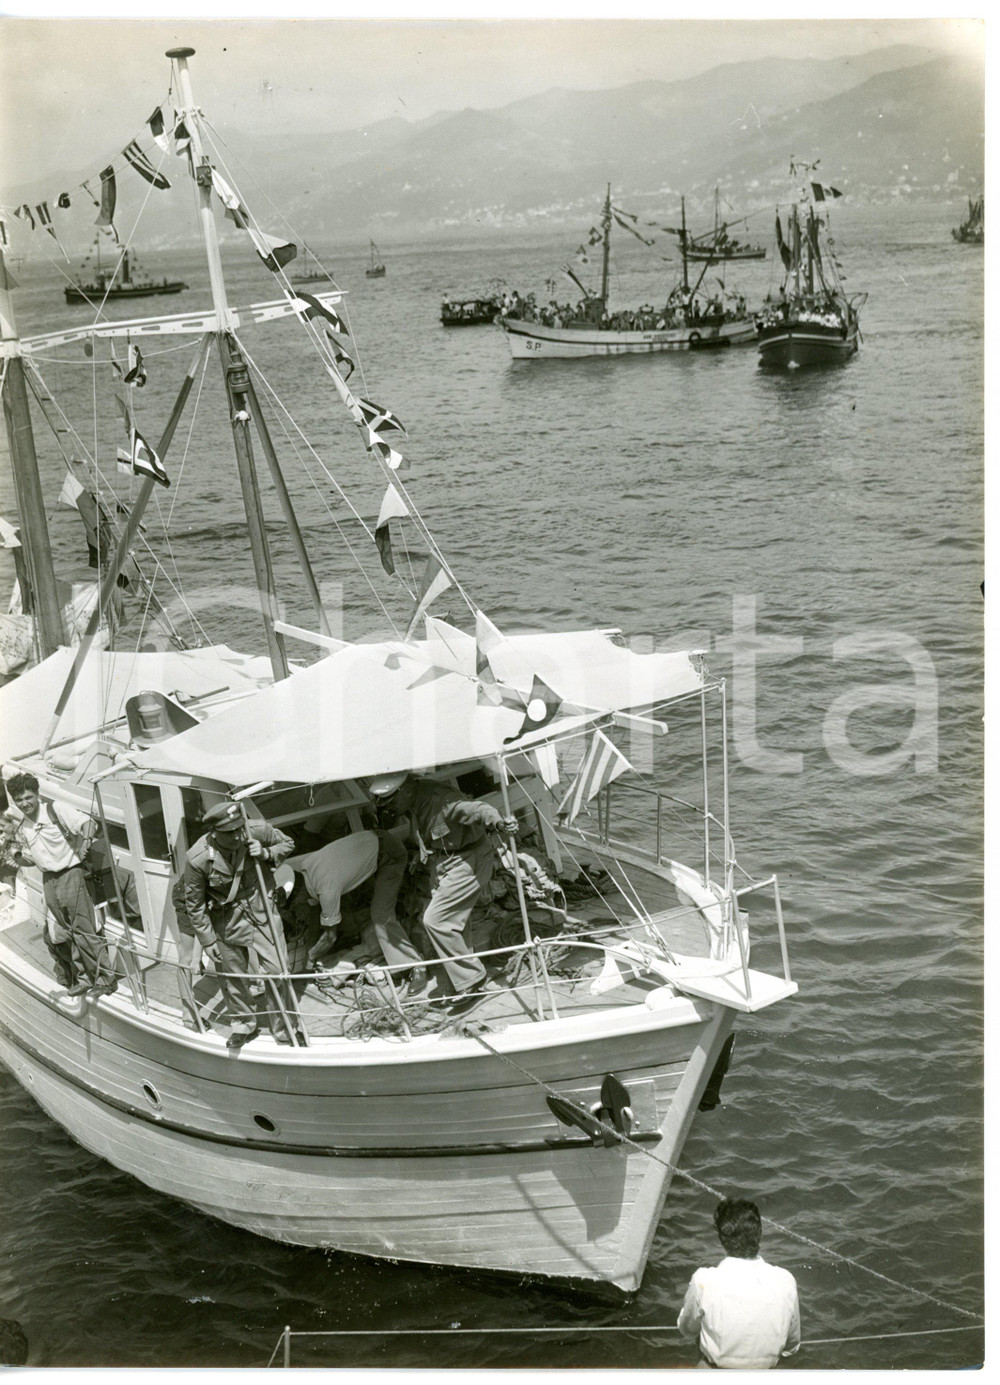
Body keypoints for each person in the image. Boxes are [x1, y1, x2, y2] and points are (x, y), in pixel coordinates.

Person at [369, 772, 516, 1009]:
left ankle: (472, 981)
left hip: (469, 859)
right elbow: (425, 825)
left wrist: (498, 823)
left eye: (392, 802)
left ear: (404, 791)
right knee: (455, 923)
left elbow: (476, 809)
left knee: (436, 920)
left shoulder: (442, 801)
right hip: (444, 861)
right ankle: (462, 983)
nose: (391, 809)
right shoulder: (414, 798)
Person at [182, 801, 294, 1049]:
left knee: (278, 970)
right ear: (214, 833)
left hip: (262, 909)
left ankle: (283, 1028)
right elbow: (195, 903)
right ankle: (244, 1026)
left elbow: (287, 842)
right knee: (234, 977)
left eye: (238, 829)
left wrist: (266, 854)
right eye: (228, 832)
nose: (237, 836)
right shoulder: (198, 858)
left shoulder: (256, 830)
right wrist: (208, 939)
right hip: (227, 919)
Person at [4, 771, 116, 997]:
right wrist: (15, 855)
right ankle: (85, 977)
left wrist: (85, 842)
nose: (24, 803)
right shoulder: (23, 827)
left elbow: (87, 824)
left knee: (84, 929)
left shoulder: (56, 810)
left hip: (70, 874)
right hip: (49, 880)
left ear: (37, 795)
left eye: (28, 797)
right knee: (70, 932)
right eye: (19, 800)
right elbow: (30, 860)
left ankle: (106, 979)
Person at [677, 1197, 800, 1369]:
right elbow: (791, 1345)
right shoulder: (786, 1280)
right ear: (759, 1233)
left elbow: (687, 1329)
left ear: (721, 1238)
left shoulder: (704, 1280)